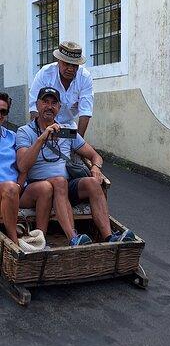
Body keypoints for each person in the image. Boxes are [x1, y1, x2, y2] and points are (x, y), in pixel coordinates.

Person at [17, 87, 134, 246]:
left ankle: (109, 237)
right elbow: (23, 166)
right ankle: (74, 238)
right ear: (37, 105)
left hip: (64, 188)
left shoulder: (67, 131)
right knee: (59, 182)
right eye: (45, 102)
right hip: (37, 189)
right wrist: (42, 138)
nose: (49, 106)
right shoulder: (25, 131)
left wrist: (96, 167)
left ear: (59, 108)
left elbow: (95, 156)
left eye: (54, 103)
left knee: (91, 183)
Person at [0, 92, 53, 244]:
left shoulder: (12, 136)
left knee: (45, 187)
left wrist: (19, 186)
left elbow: (23, 166)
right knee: (10, 188)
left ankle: (40, 239)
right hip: (5, 190)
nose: (0, 115)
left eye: (3, 111)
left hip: (14, 191)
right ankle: (14, 242)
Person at [29, 41, 93, 137]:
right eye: (67, 64)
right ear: (59, 61)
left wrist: (79, 142)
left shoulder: (85, 77)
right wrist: (40, 135)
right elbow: (34, 107)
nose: (70, 69)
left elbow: (85, 111)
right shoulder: (45, 73)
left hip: (68, 127)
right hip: (44, 126)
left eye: (75, 65)